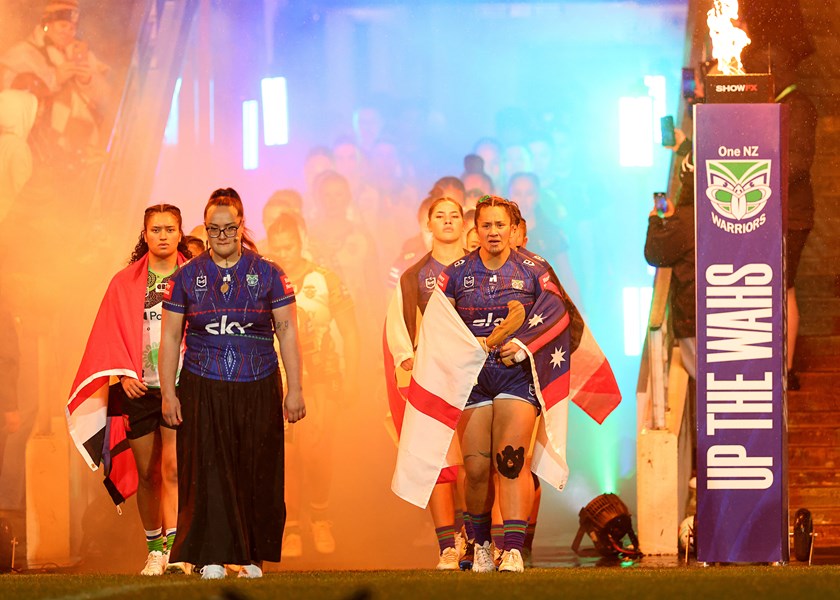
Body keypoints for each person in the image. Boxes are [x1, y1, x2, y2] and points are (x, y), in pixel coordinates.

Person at [159, 188, 304, 580]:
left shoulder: (270, 274)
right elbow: (170, 337)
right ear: (205, 229)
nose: (221, 236)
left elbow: (287, 332)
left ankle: (253, 557)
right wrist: (169, 393)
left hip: (258, 382)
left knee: (258, 469)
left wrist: (295, 389)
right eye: (213, 229)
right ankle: (211, 555)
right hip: (202, 384)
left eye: (228, 228)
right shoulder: (186, 276)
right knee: (207, 471)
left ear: (241, 226)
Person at [66, 204, 192, 576]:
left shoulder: (195, 277)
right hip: (139, 391)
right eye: (156, 230)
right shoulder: (124, 283)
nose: (163, 236)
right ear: (145, 234)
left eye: (170, 229)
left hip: (180, 387)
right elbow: (108, 334)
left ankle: (176, 551)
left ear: (180, 233)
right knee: (148, 474)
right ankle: (154, 550)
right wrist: (123, 375)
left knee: (174, 469)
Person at [265, 213, 359, 557]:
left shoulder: (325, 279)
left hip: (321, 376)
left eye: (289, 246)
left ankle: (320, 517)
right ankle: (290, 526)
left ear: (302, 240)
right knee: (287, 455)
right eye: (277, 248)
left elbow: (350, 331)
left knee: (317, 450)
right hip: (275, 378)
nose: (283, 253)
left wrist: (353, 376)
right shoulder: (263, 279)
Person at [384, 197, 467, 569]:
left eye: (454, 216)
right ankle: (447, 546)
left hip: (479, 378)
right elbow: (398, 327)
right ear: (428, 225)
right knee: (439, 464)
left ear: (464, 223)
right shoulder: (414, 276)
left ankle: (476, 539)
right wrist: (408, 359)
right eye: (440, 216)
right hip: (433, 380)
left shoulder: (482, 268)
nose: (447, 221)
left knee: (475, 463)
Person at [0, 1, 111, 155]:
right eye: (63, 25)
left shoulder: (81, 54)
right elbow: (11, 102)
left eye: (72, 28)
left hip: (84, 148)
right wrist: (54, 79)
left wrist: (88, 81)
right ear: (47, 23)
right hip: (43, 149)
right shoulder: (23, 54)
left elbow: (109, 99)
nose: (68, 32)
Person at [0, 90, 38, 223]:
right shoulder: (19, 148)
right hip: (7, 218)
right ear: (21, 115)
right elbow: (21, 189)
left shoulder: (3, 141)